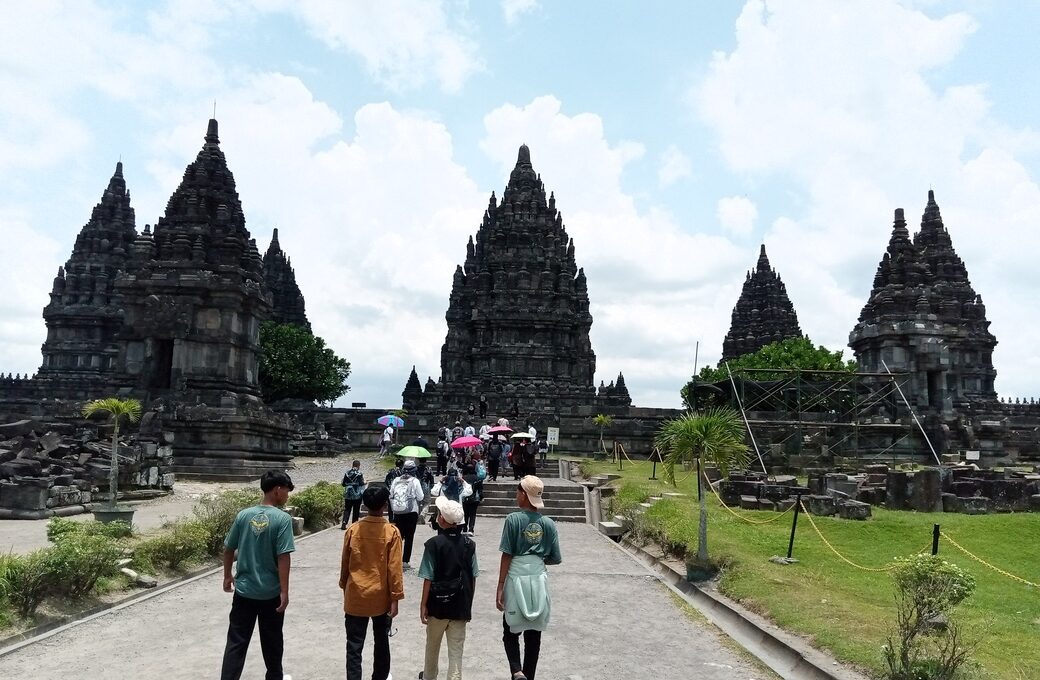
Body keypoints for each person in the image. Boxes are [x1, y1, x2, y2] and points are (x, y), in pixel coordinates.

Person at [220, 470, 296, 680]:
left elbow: (228, 549)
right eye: (287, 491)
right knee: (272, 641)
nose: (287, 495)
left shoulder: (244, 515)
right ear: (277, 490)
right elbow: (283, 557)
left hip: (244, 591)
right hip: (270, 593)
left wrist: (227, 575)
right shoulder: (282, 519)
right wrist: (284, 591)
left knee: (236, 642)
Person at [497, 476, 561, 680]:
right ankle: (529, 676)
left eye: (518, 491)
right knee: (534, 633)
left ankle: (516, 670)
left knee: (510, 630)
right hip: (538, 578)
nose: (516, 495)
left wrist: (500, 586)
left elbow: (507, 554)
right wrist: (537, 560)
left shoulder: (513, 520)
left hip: (516, 576)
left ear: (524, 494)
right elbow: (555, 557)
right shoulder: (548, 524)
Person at [340, 486, 404, 680]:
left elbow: (345, 565)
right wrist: (395, 598)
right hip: (380, 597)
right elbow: (394, 569)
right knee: (381, 641)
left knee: (354, 645)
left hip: (356, 596)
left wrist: (345, 586)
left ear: (364, 505)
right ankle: (380, 676)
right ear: (385, 505)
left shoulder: (353, 530)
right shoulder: (391, 532)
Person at [418, 496, 478, 680]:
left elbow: (428, 576)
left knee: (432, 646)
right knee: (456, 650)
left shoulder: (433, 544)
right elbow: (473, 576)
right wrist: (468, 603)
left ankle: (429, 676)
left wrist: (423, 604)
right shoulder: (470, 544)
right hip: (460, 605)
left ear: (442, 519)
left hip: (437, 605)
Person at [389, 459, 425, 569]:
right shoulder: (415, 481)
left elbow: (391, 494)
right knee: (409, 537)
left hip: (398, 511)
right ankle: (405, 561)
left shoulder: (396, 480)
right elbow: (420, 497)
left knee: (398, 536)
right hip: (411, 511)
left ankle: (395, 558)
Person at [341, 460, 365, 530]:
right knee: (356, 509)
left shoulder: (347, 473)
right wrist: (364, 482)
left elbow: (343, 484)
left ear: (352, 465)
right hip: (357, 494)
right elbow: (361, 483)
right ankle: (354, 525)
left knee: (347, 509)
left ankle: (344, 522)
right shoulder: (359, 473)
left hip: (348, 494)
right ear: (359, 465)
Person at [462, 464, 485, 535]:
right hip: (474, 498)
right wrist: (481, 497)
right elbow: (480, 489)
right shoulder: (477, 478)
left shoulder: (463, 478)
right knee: (472, 514)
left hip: (465, 498)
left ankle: (464, 528)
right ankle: (471, 529)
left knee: (465, 514)